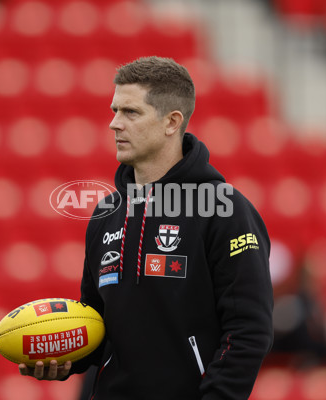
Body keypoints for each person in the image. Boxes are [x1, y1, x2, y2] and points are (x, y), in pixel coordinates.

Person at [19, 56, 273, 400]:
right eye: (114, 110)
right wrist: (67, 358)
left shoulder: (225, 209)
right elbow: (97, 323)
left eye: (130, 112)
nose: (114, 124)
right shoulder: (106, 212)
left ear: (171, 122)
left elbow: (249, 330)